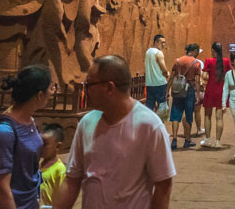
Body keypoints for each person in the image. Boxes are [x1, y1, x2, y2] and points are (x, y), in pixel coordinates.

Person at [54, 55, 175, 209]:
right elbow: (72, 180)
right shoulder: (87, 123)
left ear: (109, 88)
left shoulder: (149, 126)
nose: (85, 90)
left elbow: (163, 186)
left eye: (89, 84)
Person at [0, 65, 52, 209]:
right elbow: (2, 188)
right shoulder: (4, 132)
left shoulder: (30, 121)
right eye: (50, 88)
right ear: (40, 95)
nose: (52, 93)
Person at [168, 44, 202, 150]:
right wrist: (197, 95)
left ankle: (174, 139)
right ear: (195, 51)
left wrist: (167, 90)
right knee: (188, 115)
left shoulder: (178, 61)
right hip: (189, 90)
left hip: (178, 90)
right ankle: (187, 140)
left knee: (175, 115)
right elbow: (197, 80)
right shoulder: (196, 63)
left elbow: (171, 77)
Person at [200, 42, 230, 148]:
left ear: (213, 50)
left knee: (207, 115)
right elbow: (229, 75)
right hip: (222, 91)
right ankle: (218, 142)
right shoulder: (226, 61)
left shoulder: (209, 61)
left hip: (210, 90)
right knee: (219, 118)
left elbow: (204, 76)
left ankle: (207, 140)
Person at [39, 124, 67, 209]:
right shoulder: (38, 163)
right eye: (40, 143)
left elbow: (62, 201)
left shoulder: (60, 169)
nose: (41, 147)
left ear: (58, 146)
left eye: (45, 144)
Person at [144, 35, 169, 114]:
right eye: (162, 42)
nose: (163, 45)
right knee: (162, 106)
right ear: (156, 42)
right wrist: (167, 73)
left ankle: (148, 121)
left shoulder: (148, 52)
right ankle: (160, 121)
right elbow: (163, 68)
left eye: (164, 43)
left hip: (150, 84)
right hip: (160, 84)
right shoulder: (158, 53)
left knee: (149, 106)